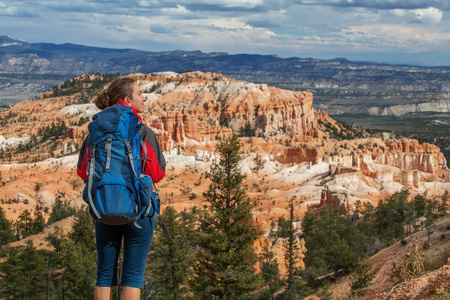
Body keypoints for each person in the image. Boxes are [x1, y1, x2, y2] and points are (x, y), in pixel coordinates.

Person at [77, 77, 166, 300]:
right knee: (133, 277)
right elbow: (158, 174)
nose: (144, 97)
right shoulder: (142, 131)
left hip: (104, 209)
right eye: (140, 93)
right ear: (127, 99)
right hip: (139, 211)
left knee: (104, 274)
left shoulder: (97, 130)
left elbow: (82, 171)